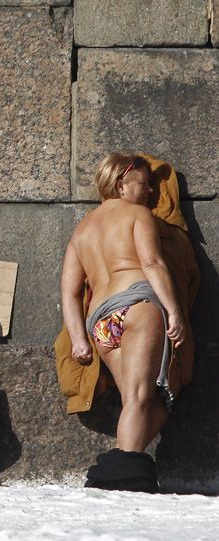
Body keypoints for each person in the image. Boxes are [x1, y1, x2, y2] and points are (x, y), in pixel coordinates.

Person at [61, 152, 185, 492]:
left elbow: (70, 293)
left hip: (100, 323)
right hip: (137, 305)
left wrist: (78, 339)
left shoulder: (83, 229)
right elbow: (152, 263)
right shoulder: (137, 214)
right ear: (122, 183)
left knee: (152, 404)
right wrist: (173, 310)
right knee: (138, 398)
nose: (149, 193)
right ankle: (126, 477)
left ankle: (116, 466)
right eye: (143, 185)